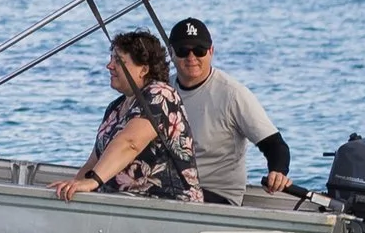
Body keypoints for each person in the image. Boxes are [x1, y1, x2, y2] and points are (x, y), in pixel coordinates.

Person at [51, 29, 205, 204]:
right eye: (111, 59)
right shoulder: (116, 107)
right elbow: (94, 161)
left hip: (166, 204)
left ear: (143, 69)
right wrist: (74, 186)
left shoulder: (160, 95)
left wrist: (93, 181)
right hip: (118, 204)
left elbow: (130, 143)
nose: (109, 66)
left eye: (119, 61)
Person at [167, 17, 290, 203]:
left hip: (218, 194)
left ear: (211, 51)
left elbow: (275, 145)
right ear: (171, 53)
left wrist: (278, 172)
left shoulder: (233, 94)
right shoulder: (161, 90)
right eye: (183, 51)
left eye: (199, 50)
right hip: (170, 187)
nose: (191, 57)